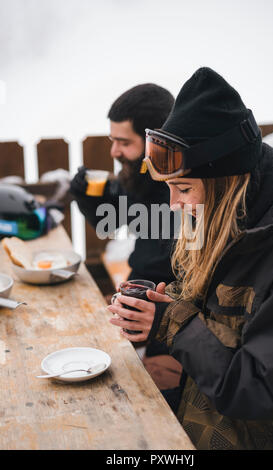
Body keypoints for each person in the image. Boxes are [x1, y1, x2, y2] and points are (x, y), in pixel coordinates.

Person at [108, 67, 273, 450]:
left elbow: (261, 389)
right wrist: (161, 306)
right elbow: (224, 321)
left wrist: (172, 323)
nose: (174, 205)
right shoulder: (233, 221)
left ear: (226, 183)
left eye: (182, 188)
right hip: (202, 412)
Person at [70, 83, 182, 400]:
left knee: (139, 394)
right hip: (145, 304)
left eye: (123, 142)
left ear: (154, 140)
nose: (114, 151)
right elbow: (116, 219)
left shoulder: (183, 189)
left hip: (177, 322)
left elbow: (165, 266)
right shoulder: (145, 176)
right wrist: (87, 196)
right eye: (112, 140)